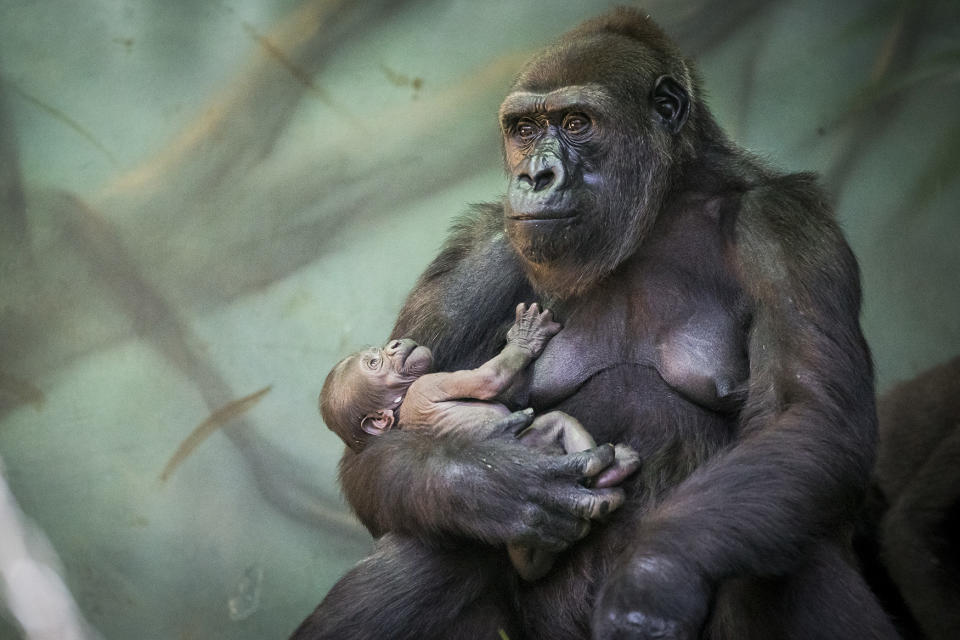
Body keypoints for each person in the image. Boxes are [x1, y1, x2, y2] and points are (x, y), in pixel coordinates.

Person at [320, 302, 638, 581]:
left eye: (378, 350)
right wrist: (522, 342)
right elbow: (489, 381)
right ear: (379, 421)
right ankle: (596, 466)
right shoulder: (422, 390)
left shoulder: (407, 423)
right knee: (556, 425)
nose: (389, 347)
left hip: (505, 471)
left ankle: (531, 566)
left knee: (524, 543)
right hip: (511, 456)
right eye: (374, 362)